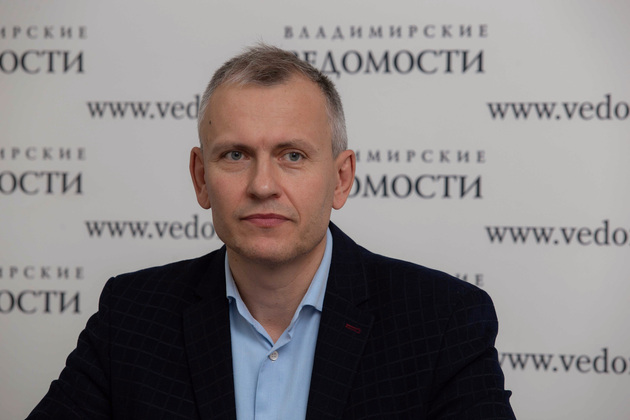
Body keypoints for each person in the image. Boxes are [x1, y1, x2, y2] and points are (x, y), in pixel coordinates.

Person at [28, 44, 515, 419]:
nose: (263, 185)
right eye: (235, 155)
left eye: (293, 155)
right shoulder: (131, 316)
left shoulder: (442, 321)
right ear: (201, 178)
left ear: (341, 178)